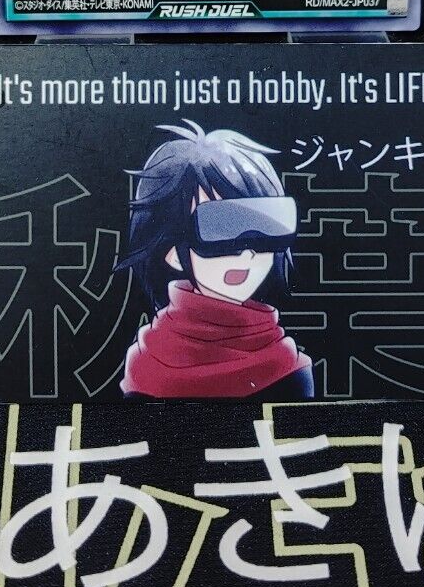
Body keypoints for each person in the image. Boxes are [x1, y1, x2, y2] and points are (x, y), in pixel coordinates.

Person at [120, 122, 313, 400]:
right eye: (220, 227)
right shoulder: (147, 365)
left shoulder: (288, 366)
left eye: (264, 225)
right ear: (172, 251)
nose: (247, 251)